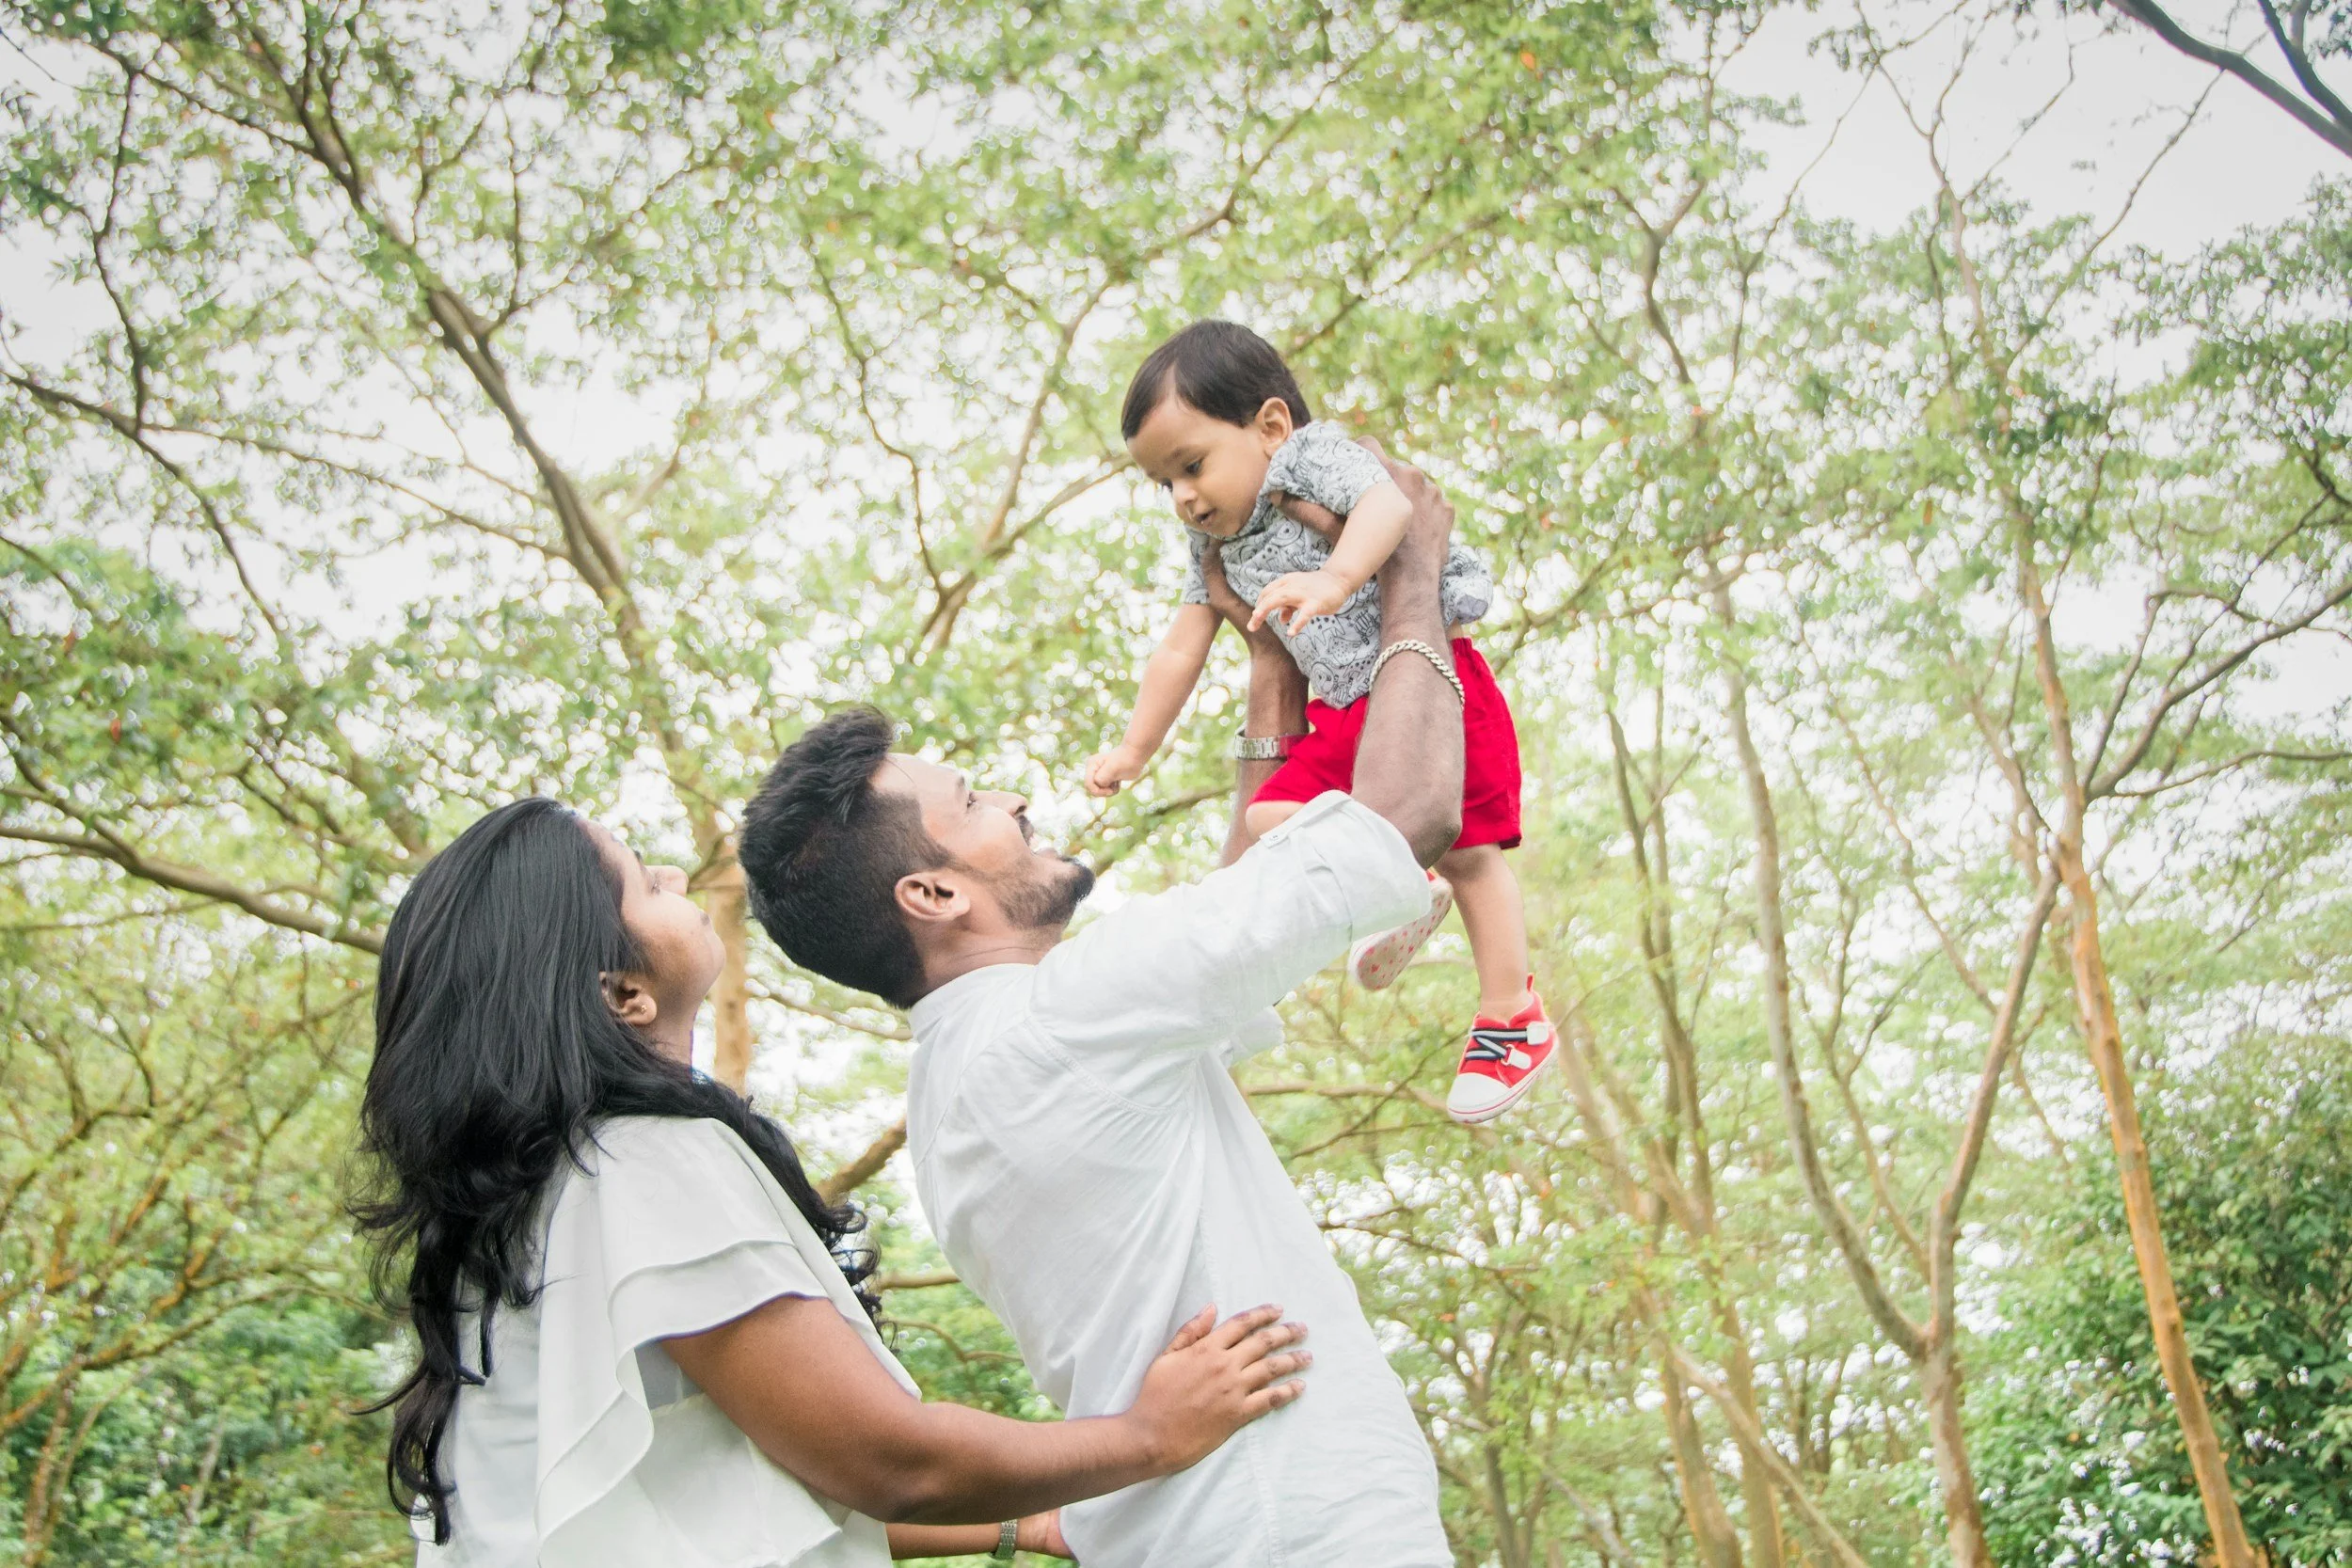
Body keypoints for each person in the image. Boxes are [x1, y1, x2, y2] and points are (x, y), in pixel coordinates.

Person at [737, 449, 1470, 1567]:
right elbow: (1406, 814)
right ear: (932, 891)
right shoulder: (1071, 1017)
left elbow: (1230, 912)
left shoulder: (958, 1090)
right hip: (1296, 1532)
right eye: (974, 801)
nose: (1017, 798)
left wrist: (1269, 669)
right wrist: (1412, 567)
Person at [355, 796, 1311, 1567]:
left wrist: (1031, 1521)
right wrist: (1148, 1434)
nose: (675, 874)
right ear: (622, 991)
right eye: (641, 879)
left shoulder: (540, 1204)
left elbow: (772, 1484)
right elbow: (888, 1459)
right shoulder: (640, 1159)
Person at [1084, 319, 1552, 1121]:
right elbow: (1179, 648)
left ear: (1269, 426)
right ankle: (1409, 884)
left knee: (1475, 851)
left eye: (1191, 466)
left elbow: (1389, 504)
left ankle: (1512, 1013)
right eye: (1165, 484)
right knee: (1271, 817)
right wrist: (1135, 745)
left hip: (1433, 688)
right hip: (1344, 712)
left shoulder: (1311, 460)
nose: (1185, 498)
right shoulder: (1216, 545)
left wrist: (1336, 577)